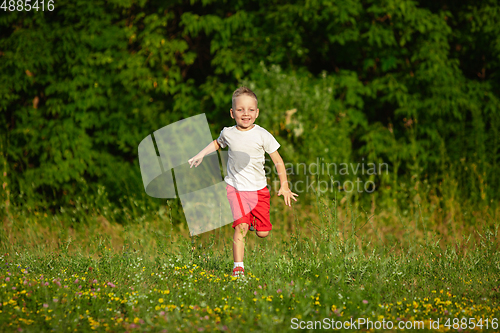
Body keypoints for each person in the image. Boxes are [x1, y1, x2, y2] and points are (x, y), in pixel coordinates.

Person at [188, 86, 298, 277]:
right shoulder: (228, 133)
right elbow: (217, 143)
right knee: (241, 227)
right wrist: (201, 154)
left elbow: (278, 161)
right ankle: (238, 268)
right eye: (240, 109)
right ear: (232, 113)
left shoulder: (263, 135)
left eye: (250, 110)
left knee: (263, 233)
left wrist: (285, 185)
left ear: (257, 113)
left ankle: (253, 220)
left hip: (259, 191)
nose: (245, 113)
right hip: (235, 188)